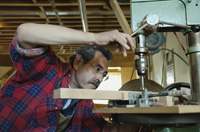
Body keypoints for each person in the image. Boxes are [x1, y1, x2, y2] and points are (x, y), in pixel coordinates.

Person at [0, 23, 138, 132]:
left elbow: (104, 129)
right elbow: (24, 32)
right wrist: (94, 38)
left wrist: (141, 117)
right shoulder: (48, 69)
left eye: (104, 75)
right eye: (97, 69)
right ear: (78, 62)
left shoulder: (86, 103)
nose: (100, 78)